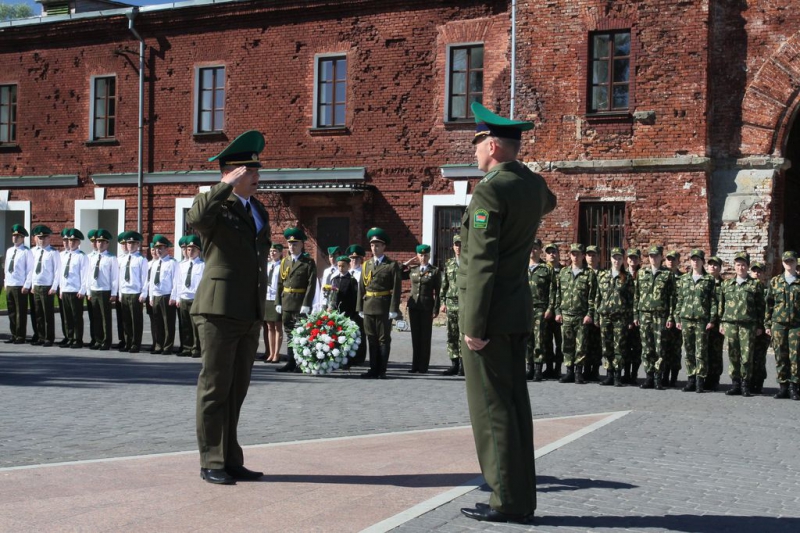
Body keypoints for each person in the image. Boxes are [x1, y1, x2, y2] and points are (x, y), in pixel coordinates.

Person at [459, 102, 556, 524]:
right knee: (516, 407)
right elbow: (548, 201)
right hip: (516, 311)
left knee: (492, 409)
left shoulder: (490, 190)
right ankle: (519, 494)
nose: (474, 152)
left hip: (491, 318)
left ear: (493, 145)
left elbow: (481, 262)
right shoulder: (531, 185)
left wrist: (473, 324)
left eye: (477, 144)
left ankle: (506, 499)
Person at [189, 130, 271, 485]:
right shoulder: (215, 205)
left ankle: (230, 458)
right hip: (218, 310)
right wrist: (222, 185)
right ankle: (211, 461)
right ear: (232, 173)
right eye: (248, 171)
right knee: (215, 388)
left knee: (236, 390)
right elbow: (195, 220)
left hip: (248, 311)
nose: (256, 176)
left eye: (256, 170)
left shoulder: (258, 209)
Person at [356, 227, 402, 379]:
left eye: (377, 245)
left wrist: (394, 308)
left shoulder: (391, 265)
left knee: (383, 339)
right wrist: (360, 307)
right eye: (372, 245)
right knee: (371, 338)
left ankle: (382, 370)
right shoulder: (366, 265)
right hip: (368, 305)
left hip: (383, 305)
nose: (374, 248)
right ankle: (373, 368)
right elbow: (361, 287)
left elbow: (396, 288)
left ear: (384, 247)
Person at [718, 251, 765, 397]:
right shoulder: (727, 284)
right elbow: (722, 305)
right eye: (738, 265)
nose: (740, 267)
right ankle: (735, 384)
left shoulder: (755, 284)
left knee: (746, 356)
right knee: (733, 354)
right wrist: (722, 323)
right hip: (731, 324)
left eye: (743, 265)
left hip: (748, 325)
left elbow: (760, 307)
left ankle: (745, 384)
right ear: (734, 266)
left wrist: (759, 325)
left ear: (748, 266)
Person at [274, 227, 317, 373]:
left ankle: (300, 362)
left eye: (295, 244)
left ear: (301, 245)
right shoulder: (285, 262)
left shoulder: (308, 262)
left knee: (301, 333)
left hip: (300, 302)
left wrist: (306, 304)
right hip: (286, 301)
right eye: (290, 244)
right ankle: (291, 362)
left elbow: (311, 285)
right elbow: (279, 283)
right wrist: (278, 302)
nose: (292, 247)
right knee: (289, 332)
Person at [675, 249, 717, 393]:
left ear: (702, 262)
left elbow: (713, 301)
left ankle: (700, 380)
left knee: (701, 351)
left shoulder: (709, 279)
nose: (695, 262)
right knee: (689, 350)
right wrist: (677, 317)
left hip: (701, 320)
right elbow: (679, 299)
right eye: (693, 259)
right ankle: (691, 379)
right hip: (686, 319)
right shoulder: (684, 279)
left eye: (698, 259)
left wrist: (712, 319)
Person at [634, 245, 676, 390]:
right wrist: (636, 314)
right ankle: (649, 376)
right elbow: (636, 295)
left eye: (656, 255)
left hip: (661, 316)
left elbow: (672, 297)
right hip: (644, 315)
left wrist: (671, 317)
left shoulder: (667, 274)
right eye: (651, 256)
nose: (653, 258)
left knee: (660, 348)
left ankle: (658, 377)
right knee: (647, 348)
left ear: (661, 257)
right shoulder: (642, 273)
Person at [555, 243, 597, 384]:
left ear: (583, 256)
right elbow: (557, 294)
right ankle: (569, 371)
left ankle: (579, 372)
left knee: (581, 345)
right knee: (567, 345)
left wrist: (589, 314)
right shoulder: (563, 272)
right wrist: (557, 311)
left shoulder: (588, 274)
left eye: (578, 254)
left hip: (581, 315)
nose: (575, 256)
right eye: (573, 254)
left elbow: (593, 297)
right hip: (566, 314)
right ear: (570, 255)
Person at [595, 247, 634, 387]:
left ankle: (618, 374)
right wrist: (596, 316)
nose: (616, 260)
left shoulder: (627, 277)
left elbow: (631, 299)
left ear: (623, 260)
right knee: (606, 346)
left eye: (619, 258)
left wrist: (630, 318)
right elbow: (597, 297)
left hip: (620, 318)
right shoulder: (603, 276)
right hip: (605, 316)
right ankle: (609, 373)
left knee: (619, 347)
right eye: (614, 258)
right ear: (610, 259)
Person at [765, 250, 800, 400]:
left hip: (796, 325)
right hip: (778, 324)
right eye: (786, 262)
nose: (789, 264)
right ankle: (783, 386)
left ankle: (794, 386)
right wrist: (767, 324)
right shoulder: (775, 281)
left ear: (796, 263)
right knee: (780, 355)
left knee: (796, 356)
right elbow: (769, 304)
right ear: (783, 263)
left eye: (791, 261)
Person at [402, 244, 441, 374]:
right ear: (417, 256)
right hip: (414, 306)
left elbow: (438, 291)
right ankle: (415, 365)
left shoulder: (434, 271)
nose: (423, 257)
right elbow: (398, 273)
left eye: (425, 255)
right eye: (421, 255)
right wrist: (406, 263)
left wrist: (436, 309)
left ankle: (423, 366)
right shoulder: (413, 270)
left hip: (426, 307)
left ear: (429, 256)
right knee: (415, 336)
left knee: (425, 337)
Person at [525, 238, 555, 381]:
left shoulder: (546, 268)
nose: (533, 250)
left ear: (540, 250)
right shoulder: (521, 267)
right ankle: (528, 367)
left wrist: (550, 308)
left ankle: (538, 369)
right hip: (524, 309)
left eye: (536, 248)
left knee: (539, 339)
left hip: (540, 308)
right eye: (530, 248)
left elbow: (553, 290)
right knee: (527, 339)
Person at [86, 229, 119, 351]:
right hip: (94, 289)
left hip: (105, 290)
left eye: (103, 242)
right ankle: (98, 339)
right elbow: (88, 275)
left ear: (107, 244)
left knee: (105, 318)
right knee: (96, 317)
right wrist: (88, 291)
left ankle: (106, 341)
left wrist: (114, 292)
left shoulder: (111, 258)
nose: (100, 244)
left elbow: (114, 276)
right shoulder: (91, 257)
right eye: (98, 242)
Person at [30, 225, 61, 346]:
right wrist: (32, 285)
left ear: (49, 238)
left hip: (47, 286)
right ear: (36, 238)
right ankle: (41, 336)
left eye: (44, 238)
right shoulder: (33, 252)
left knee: (47, 313)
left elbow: (57, 270)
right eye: (39, 238)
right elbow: (31, 270)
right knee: (38, 313)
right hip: (36, 285)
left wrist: (54, 287)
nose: (42, 240)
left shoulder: (53, 252)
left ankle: (49, 338)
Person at [118, 231, 148, 354]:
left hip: (135, 292)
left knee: (136, 320)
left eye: (133, 243)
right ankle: (127, 341)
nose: (130, 245)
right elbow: (120, 277)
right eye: (128, 243)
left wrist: (143, 293)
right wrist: (120, 293)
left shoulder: (141, 259)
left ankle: (136, 343)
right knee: (126, 320)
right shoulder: (122, 259)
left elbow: (145, 277)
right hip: (125, 291)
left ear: (138, 244)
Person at [148, 235, 179, 355]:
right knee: (157, 322)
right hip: (156, 295)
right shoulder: (155, 263)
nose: (158, 251)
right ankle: (158, 345)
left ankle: (167, 346)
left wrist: (173, 296)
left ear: (167, 249)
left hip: (167, 295)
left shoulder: (172, 263)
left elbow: (176, 281)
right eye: (156, 248)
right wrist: (151, 297)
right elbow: (151, 281)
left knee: (168, 323)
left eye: (161, 248)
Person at [59, 228, 89, 349]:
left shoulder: (81, 256)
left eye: (74, 241)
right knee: (67, 316)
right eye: (70, 241)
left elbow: (84, 274)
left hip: (75, 290)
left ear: (78, 242)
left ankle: (78, 339)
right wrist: (61, 289)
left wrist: (82, 290)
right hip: (65, 289)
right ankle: (69, 337)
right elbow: (61, 274)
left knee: (76, 316)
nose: (71, 243)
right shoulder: (63, 255)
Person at [175, 235, 204, 358]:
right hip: (184, 297)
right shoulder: (182, 265)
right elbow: (179, 282)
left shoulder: (202, 265)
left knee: (195, 325)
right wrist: (177, 297)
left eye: (193, 249)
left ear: (198, 251)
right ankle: (186, 347)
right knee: (184, 324)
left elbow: (203, 284)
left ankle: (196, 348)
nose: (190, 251)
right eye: (188, 249)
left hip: (195, 298)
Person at [4, 224, 33, 344]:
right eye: (14, 236)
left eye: (18, 236)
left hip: (20, 285)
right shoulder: (10, 250)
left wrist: (26, 285)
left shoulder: (26, 252)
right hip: (10, 283)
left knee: (20, 312)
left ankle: (20, 335)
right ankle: (14, 334)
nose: (15, 238)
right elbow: (6, 267)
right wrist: (6, 282)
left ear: (23, 238)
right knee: (11, 311)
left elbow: (30, 269)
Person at [440, 235, 463, 376]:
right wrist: (442, 302)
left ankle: (463, 365)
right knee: (451, 334)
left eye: (460, 245)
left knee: (462, 335)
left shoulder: (468, 263)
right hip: (451, 303)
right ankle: (454, 363)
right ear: (453, 247)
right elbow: (444, 284)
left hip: (463, 304)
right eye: (456, 245)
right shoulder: (449, 263)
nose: (458, 247)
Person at [661, 250, 684, 387]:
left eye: (673, 259)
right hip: (663, 318)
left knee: (676, 350)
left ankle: (674, 377)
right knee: (663, 348)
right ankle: (663, 376)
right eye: (669, 259)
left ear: (678, 261)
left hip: (678, 319)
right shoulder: (661, 276)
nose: (671, 261)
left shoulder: (683, 278)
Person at [749, 261, 770, 394]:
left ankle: (759, 382)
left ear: (764, 274)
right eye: (754, 271)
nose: (756, 274)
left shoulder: (768, 291)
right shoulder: (748, 289)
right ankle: (749, 382)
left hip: (763, 329)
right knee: (748, 356)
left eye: (759, 272)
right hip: (751, 328)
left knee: (760, 357)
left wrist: (765, 327)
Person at [543, 243, 563, 379]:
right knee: (546, 341)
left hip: (559, 312)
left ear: (558, 254)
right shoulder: (542, 270)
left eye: (554, 252)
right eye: (549, 252)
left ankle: (557, 368)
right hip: (545, 312)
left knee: (560, 342)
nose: (552, 255)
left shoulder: (564, 271)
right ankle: (549, 367)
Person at [261, 243, 284, 363]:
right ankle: (270, 352)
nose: (272, 253)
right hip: (267, 297)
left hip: (276, 298)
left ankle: (277, 353)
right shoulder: (268, 265)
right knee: (269, 326)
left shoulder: (282, 266)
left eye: (275, 251)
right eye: (271, 251)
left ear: (280, 253)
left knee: (277, 326)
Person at [705, 255, 725, 391]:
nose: (713, 267)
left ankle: (714, 378)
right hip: (703, 323)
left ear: (720, 268)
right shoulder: (703, 281)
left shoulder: (724, 285)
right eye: (711, 264)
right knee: (703, 351)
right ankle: (703, 377)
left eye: (716, 265)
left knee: (716, 352)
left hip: (717, 324)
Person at [624, 248, 643, 384]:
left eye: (635, 258)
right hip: (624, 315)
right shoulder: (622, 274)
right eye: (630, 258)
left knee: (637, 347)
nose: (632, 260)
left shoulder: (642, 274)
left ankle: (634, 373)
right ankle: (625, 373)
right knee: (624, 346)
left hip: (639, 317)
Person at [583, 245, 603, 381]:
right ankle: (584, 369)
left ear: (599, 257)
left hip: (599, 314)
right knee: (584, 342)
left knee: (597, 344)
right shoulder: (582, 273)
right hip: (584, 313)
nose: (591, 257)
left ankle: (595, 370)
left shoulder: (603, 274)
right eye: (589, 255)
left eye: (594, 255)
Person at [346, 244, 368, 365]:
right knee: (348, 332)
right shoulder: (347, 273)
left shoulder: (363, 273)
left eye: (356, 258)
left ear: (361, 260)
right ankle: (348, 356)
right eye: (352, 259)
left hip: (360, 306)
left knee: (360, 332)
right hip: (348, 307)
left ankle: (360, 357)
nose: (354, 261)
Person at [57, 228, 71, 346]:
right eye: (64, 240)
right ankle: (66, 335)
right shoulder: (60, 255)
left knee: (73, 315)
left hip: (72, 288)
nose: (66, 243)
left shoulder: (77, 255)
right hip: (62, 287)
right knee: (64, 314)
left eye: (68, 240)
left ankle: (74, 337)